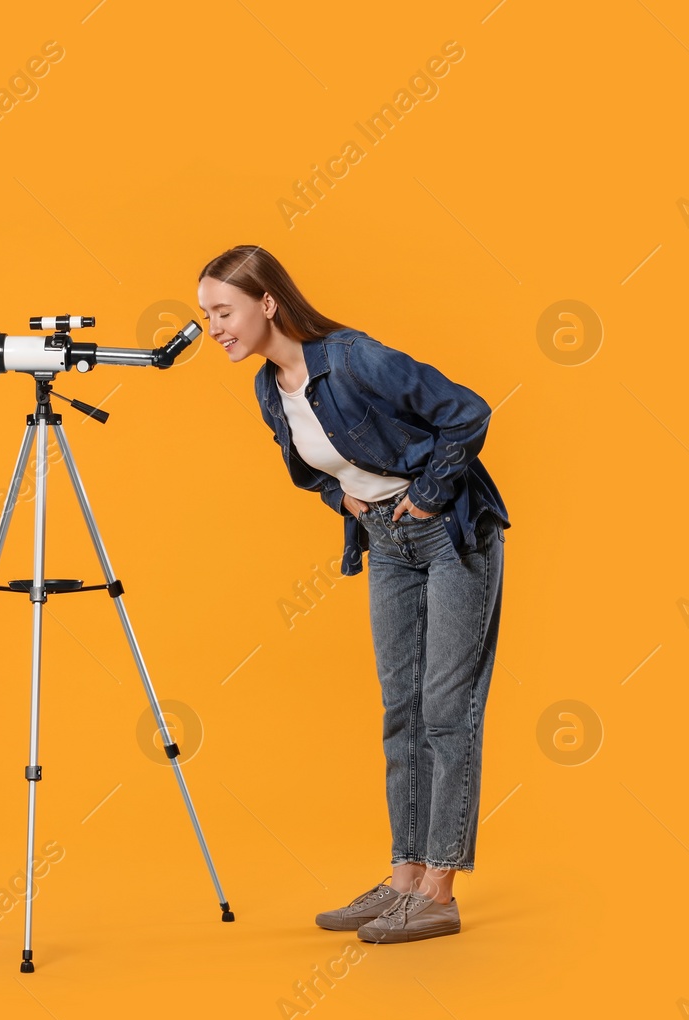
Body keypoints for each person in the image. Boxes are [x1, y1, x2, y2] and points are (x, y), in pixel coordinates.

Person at [195, 245, 508, 944]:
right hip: (386, 544)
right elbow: (310, 467)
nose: (213, 326)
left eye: (223, 310)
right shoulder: (268, 386)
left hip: (452, 534)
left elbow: (468, 413)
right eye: (206, 314)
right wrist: (349, 500)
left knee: (446, 710)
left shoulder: (355, 357)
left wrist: (425, 498)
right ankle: (402, 878)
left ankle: (439, 891)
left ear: (266, 302)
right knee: (401, 707)